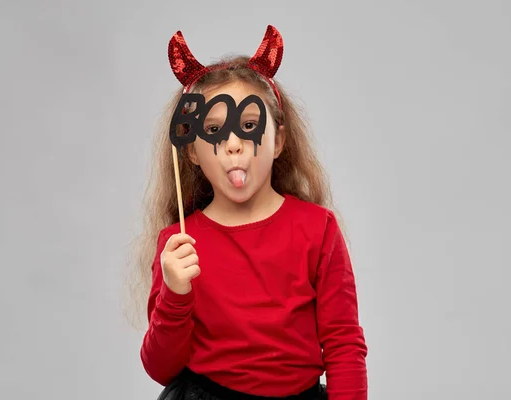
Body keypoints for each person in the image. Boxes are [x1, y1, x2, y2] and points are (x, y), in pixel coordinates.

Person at [134, 26, 368, 400]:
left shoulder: (317, 229)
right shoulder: (178, 243)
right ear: (192, 152)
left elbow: (343, 346)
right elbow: (161, 368)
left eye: (248, 125)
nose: (233, 145)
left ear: (279, 141)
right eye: (213, 130)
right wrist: (175, 294)